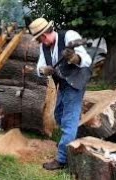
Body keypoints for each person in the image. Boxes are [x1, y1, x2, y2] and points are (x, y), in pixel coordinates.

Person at [28, 18, 92, 170]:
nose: (41, 42)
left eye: (41, 38)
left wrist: (75, 58)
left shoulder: (69, 36)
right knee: (58, 114)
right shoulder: (45, 47)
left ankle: (62, 159)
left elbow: (87, 60)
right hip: (63, 83)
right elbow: (39, 68)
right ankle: (72, 140)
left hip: (75, 82)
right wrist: (44, 70)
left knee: (69, 119)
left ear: (44, 35)